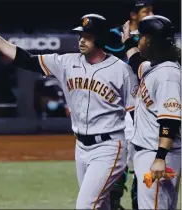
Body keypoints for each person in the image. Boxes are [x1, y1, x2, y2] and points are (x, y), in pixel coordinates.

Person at [0, 13, 139, 209]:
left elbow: (135, 113)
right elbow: (25, 59)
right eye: (80, 35)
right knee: (100, 205)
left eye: (87, 36)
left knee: (86, 205)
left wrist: (147, 154)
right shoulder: (66, 62)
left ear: (100, 38)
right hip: (81, 147)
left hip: (110, 147)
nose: (81, 39)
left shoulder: (122, 70)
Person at [105, 1, 154, 209]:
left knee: (143, 162)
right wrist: (130, 39)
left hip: (144, 104)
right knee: (118, 159)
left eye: (152, 11)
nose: (151, 14)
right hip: (119, 105)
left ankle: (139, 204)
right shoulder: (114, 35)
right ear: (134, 15)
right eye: (146, 11)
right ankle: (113, 202)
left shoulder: (153, 36)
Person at [129, 15, 181, 210]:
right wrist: (127, 41)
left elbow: (170, 120)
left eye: (140, 37)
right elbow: (135, 62)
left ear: (149, 40)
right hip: (151, 152)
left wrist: (160, 158)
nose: (138, 41)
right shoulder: (155, 66)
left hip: (158, 155)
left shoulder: (168, 75)